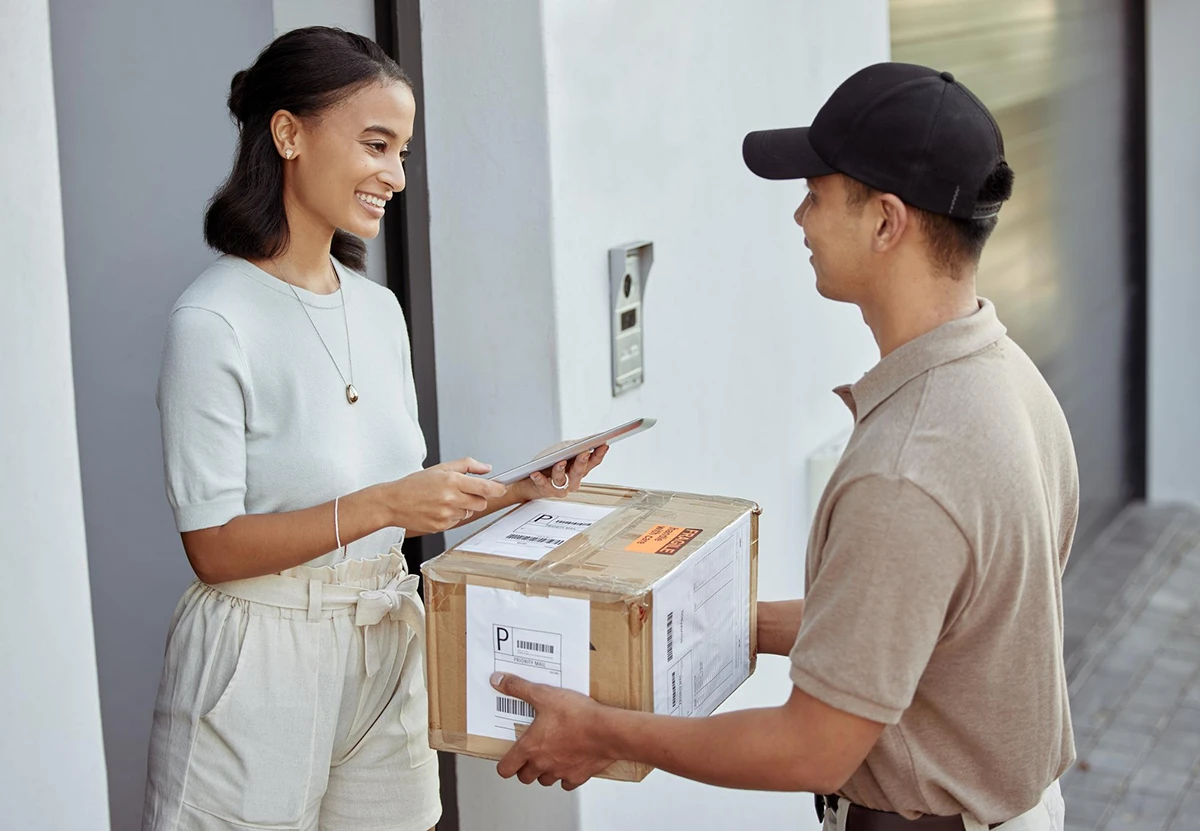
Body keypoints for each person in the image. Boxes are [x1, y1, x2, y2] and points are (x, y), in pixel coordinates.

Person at [488, 62, 1077, 831]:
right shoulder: (1008, 377)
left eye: (816, 194)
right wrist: (674, 618)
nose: (799, 217)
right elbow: (912, 625)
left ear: (887, 221)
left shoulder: (911, 465)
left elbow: (810, 747)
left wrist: (598, 729)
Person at [142, 26, 607, 831]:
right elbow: (212, 547)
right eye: (377, 144)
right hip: (260, 657)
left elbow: (397, 507)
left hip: (386, 641)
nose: (395, 175)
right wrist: (391, 503)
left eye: (403, 152)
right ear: (289, 133)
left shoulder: (378, 310)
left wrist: (514, 493)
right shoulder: (212, 318)